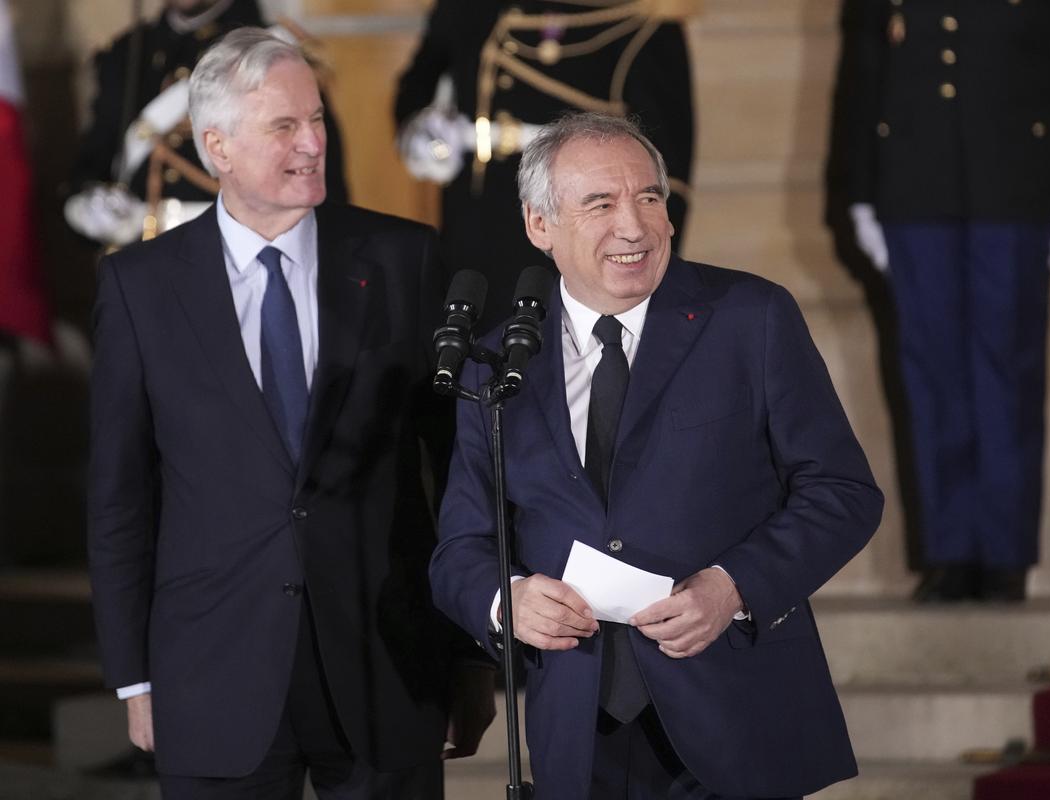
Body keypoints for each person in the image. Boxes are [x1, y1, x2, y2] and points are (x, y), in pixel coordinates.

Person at [87, 28, 494, 799]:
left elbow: (460, 469)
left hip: (387, 667)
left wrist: (472, 655)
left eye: (316, 121)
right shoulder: (139, 289)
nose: (313, 143)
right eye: (285, 126)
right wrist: (133, 679)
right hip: (211, 673)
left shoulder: (404, 260)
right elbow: (120, 498)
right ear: (218, 147)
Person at [429, 113, 883, 799]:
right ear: (539, 225)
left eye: (648, 198)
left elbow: (843, 492)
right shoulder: (497, 365)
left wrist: (733, 586)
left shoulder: (749, 318)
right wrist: (507, 599)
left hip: (734, 715)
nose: (634, 227)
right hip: (578, 732)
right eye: (600, 204)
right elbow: (461, 546)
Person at [840, 0, 1050, 602]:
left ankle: (1005, 554)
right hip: (912, 189)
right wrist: (857, 190)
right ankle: (950, 551)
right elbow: (864, 75)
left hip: (1016, 187)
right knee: (929, 374)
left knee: (1006, 371)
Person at [392, 0, 695, 329]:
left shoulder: (645, 20)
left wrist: (645, 280)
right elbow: (419, 80)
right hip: (472, 220)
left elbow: (667, 174)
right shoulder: (471, 7)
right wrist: (421, 132)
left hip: (574, 234)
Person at [69, 0, 348, 244]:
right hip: (148, 265)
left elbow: (323, 193)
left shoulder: (275, 50)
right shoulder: (127, 53)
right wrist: (89, 209)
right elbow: (93, 165)